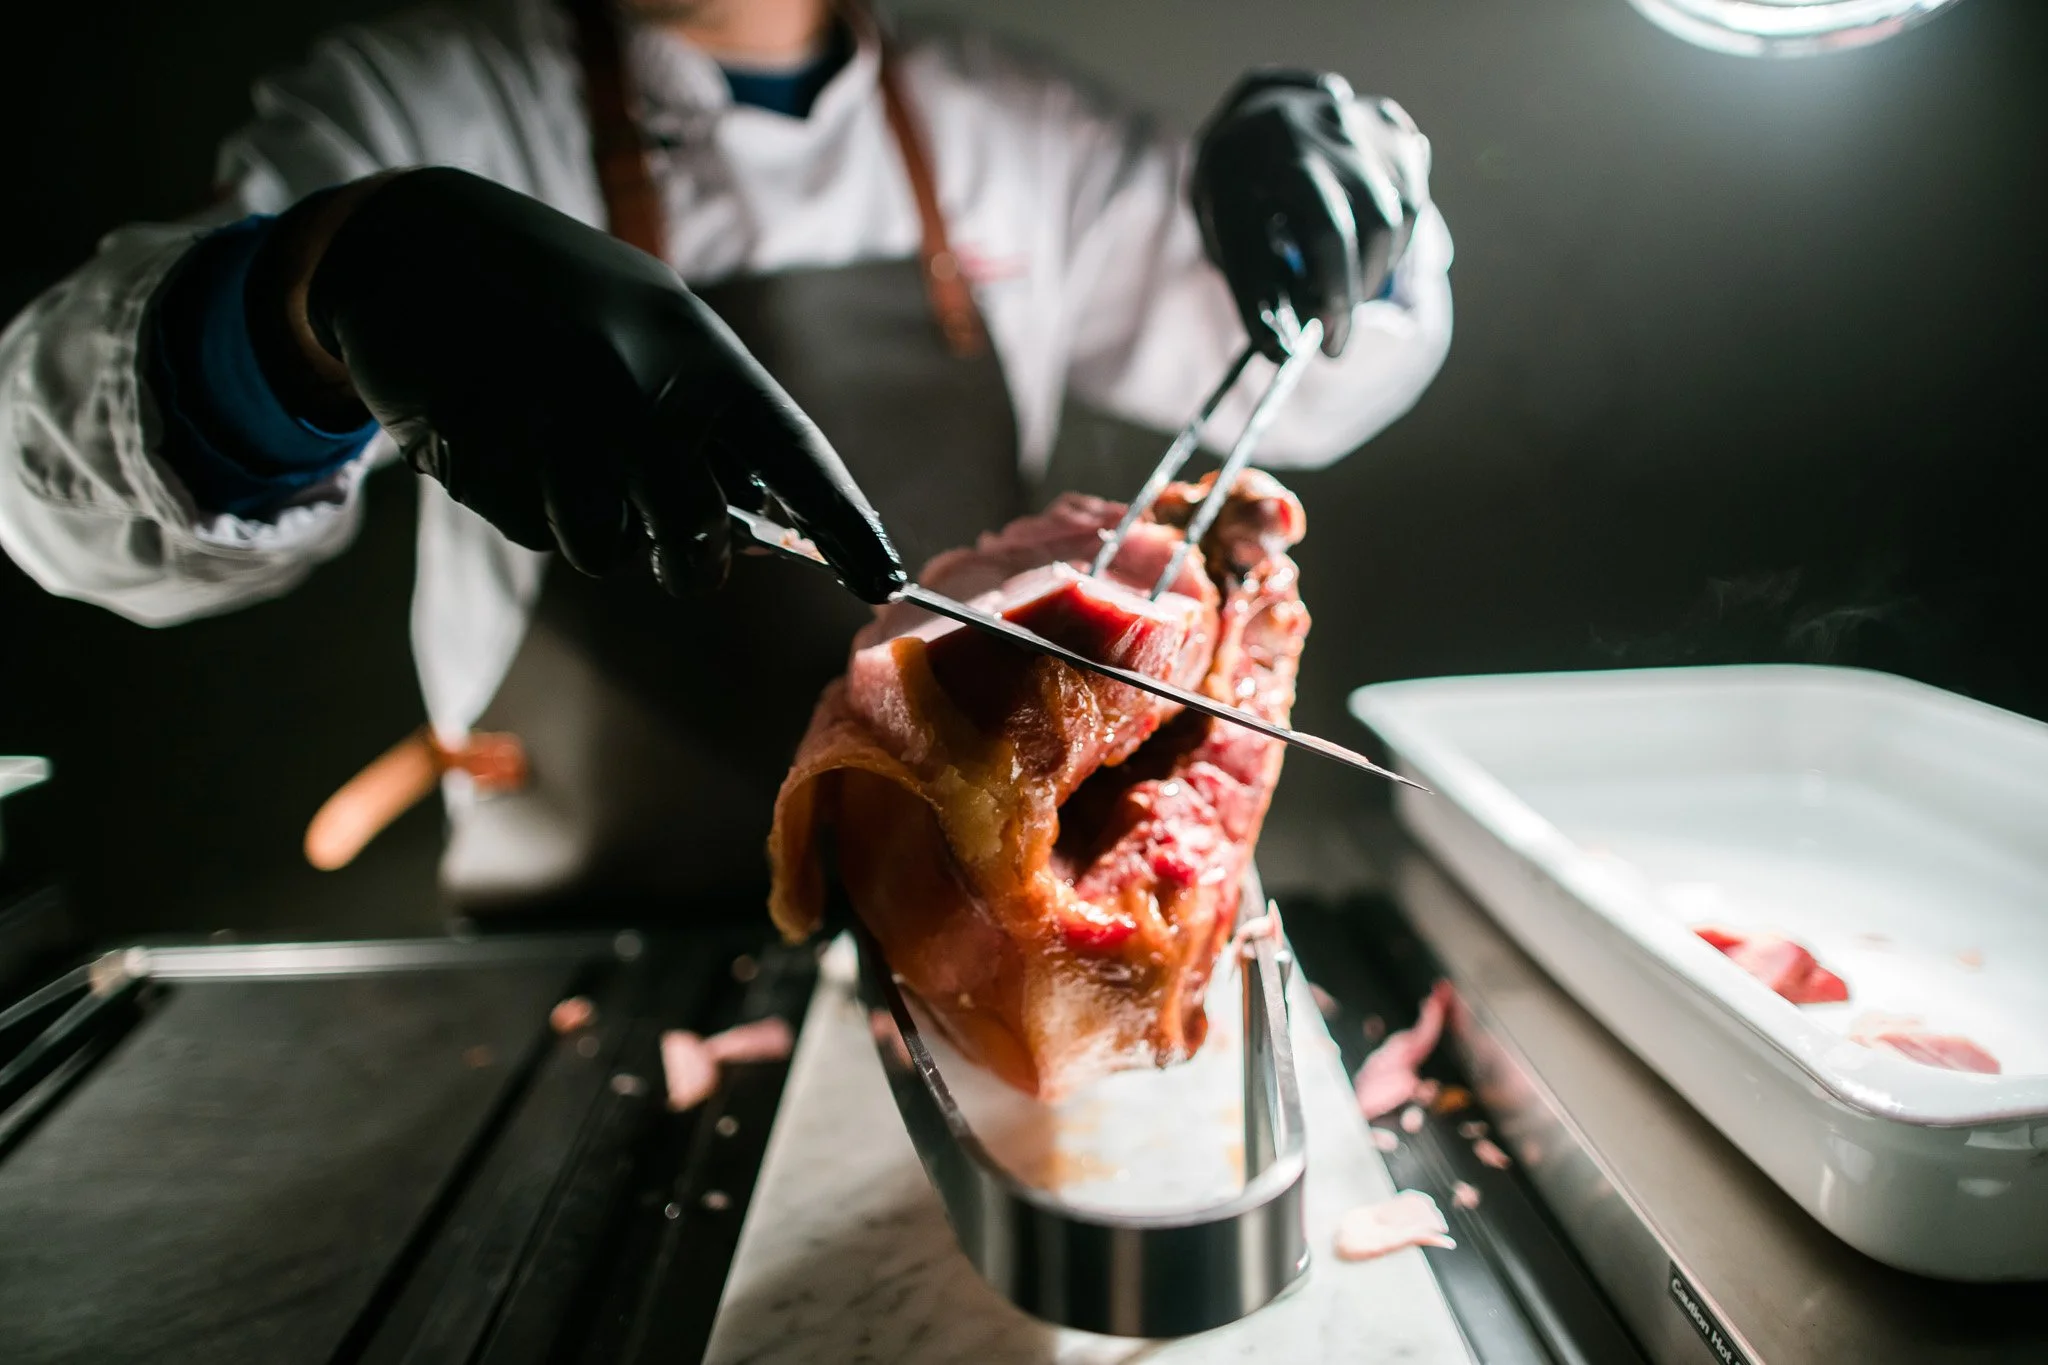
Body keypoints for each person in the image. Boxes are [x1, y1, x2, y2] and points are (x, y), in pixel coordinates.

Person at [0, 0, 1452, 917]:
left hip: (961, 908)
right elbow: (49, 490)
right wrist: (302, 296)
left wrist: (1356, 230)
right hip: (578, 942)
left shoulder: (1013, 118)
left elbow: (1308, 385)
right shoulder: (418, 100)